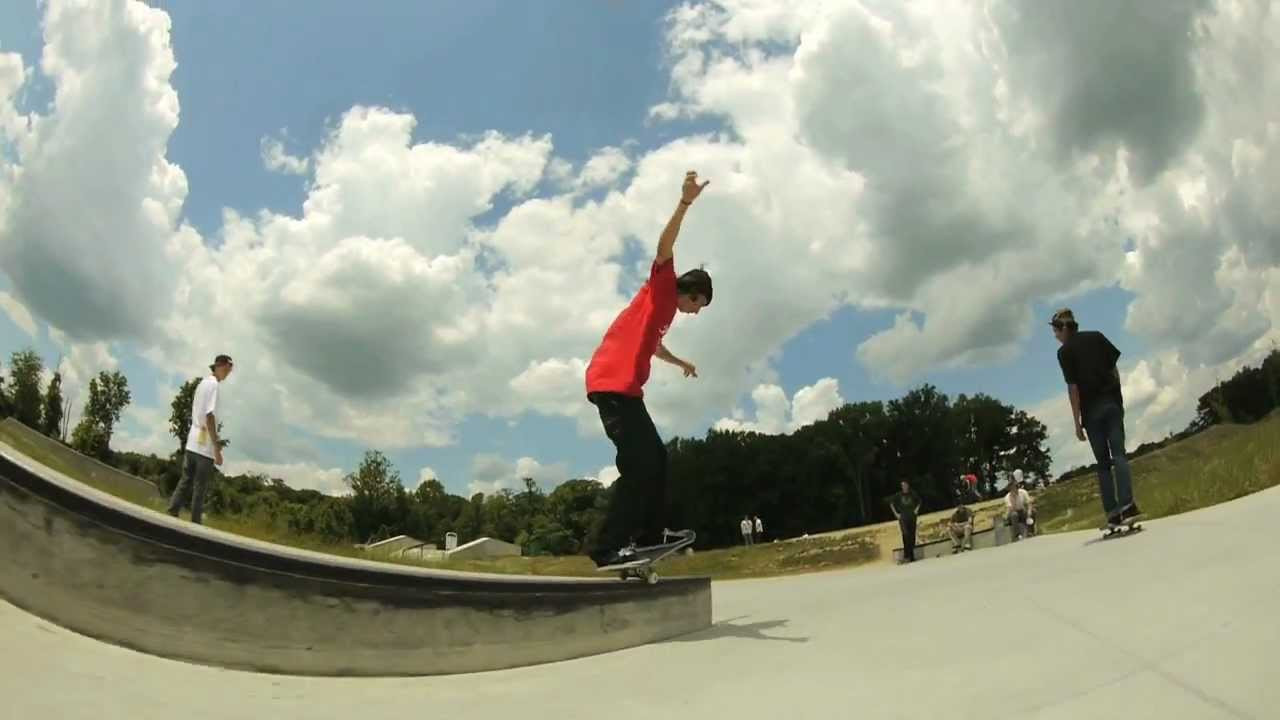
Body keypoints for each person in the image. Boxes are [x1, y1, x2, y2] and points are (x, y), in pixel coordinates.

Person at [584, 171, 714, 567]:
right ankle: (606, 547)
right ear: (692, 294)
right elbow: (664, 245)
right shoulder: (662, 289)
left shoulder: (663, 315)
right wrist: (685, 203)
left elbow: (654, 346)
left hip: (626, 391)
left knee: (657, 459)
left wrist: (679, 362)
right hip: (611, 384)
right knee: (640, 465)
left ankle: (650, 536)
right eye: (698, 305)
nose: (695, 313)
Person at [1051, 308, 1142, 526]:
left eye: (1056, 331)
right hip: (1111, 404)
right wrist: (1118, 400)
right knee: (1119, 455)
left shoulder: (1064, 353)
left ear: (1064, 329)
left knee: (1103, 464)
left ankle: (1113, 513)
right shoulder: (1097, 337)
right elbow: (1114, 370)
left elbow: (1073, 389)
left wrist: (1076, 423)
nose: (1055, 336)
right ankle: (1128, 507)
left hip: (1091, 413)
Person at [167, 354, 233, 524]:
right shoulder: (214, 386)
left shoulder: (202, 384)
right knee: (200, 486)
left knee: (185, 480)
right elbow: (209, 416)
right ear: (220, 366)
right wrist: (216, 448)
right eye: (228, 369)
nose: (228, 373)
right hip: (204, 446)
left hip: (192, 441)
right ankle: (195, 523)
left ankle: (172, 512)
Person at [890, 480, 922, 563]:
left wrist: (916, 510)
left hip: (912, 517)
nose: (904, 487)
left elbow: (919, 501)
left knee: (912, 536)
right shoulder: (898, 495)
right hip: (903, 518)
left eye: (905, 485)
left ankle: (911, 556)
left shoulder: (913, 494)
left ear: (908, 485)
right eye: (902, 485)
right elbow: (891, 504)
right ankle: (906, 555)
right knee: (905, 535)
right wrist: (896, 514)